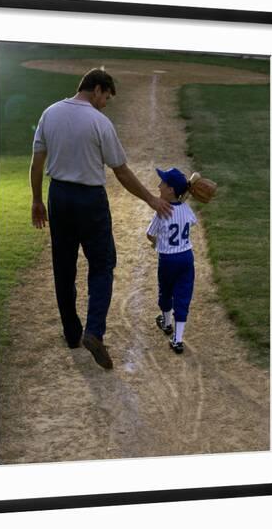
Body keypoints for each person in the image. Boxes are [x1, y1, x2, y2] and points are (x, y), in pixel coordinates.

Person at [30, 68, 171, 370]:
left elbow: (37, 161)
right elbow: (121, 171)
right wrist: (151, 199)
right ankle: (94, 331)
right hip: (90, 201)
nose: (105, 103)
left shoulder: (50, 113)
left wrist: (37, 199)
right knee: (103, 264)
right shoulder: (99, 122)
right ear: (96, 89)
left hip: (59, 197)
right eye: (106, 97)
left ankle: (71, 333)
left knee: (63, 266)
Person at [146, 167, 197, 354]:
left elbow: (149, 235)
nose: (159, 186)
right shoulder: (186, 209)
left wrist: (156, 244)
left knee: (166, 291)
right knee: (183, 297)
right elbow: (191, 221)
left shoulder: (161, 211)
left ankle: (167, 323)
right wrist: (182, 204)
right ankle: (178, 339)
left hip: (168, 259)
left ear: (171, 190)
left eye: (163, 184)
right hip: (186, 258)